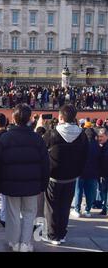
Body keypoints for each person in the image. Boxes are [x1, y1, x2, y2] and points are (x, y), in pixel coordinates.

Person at [0, 104, 50, 252]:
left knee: (12, 214)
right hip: (32, 186)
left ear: (13, 118)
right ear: (30, 119)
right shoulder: (37, 139)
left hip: (11, 185)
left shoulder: (5, 138)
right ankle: (25, 243)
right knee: (29, 214)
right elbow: (45, 164)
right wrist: (43, 185)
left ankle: (14, 242)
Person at [42, 104, 88, 245]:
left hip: (54, 177)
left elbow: (42, 150)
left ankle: (53, 235)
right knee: (65, 207)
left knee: (52, 207)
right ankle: (61, 234)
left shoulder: (52, 133)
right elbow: (85, 155)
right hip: (71, 177)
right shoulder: (82, 135)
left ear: (60, 117)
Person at [72, 125, 100, 218]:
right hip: (93, 173)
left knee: (78, 191)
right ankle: (88, 210)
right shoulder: (97, 146)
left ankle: (77, 209)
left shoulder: (81, 144)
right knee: (90, 193)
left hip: (80, 172)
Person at [99, 128, 108, 216]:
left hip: (105, 173)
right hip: (104, 173)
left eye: (102, 136)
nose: (99, 138)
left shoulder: (105, 147)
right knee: (103, 192)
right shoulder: (103, 146)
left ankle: (105, 209)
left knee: (104, 192)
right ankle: (104, 208)